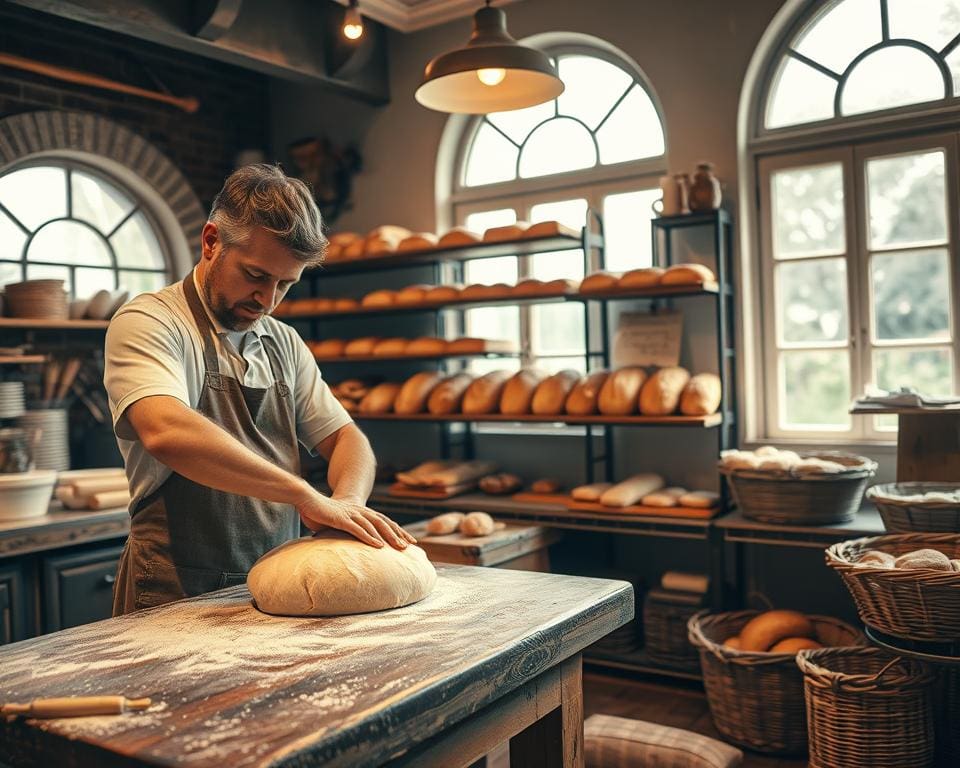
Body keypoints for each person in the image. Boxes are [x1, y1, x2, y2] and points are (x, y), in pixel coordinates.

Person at [104, 164, 414, 615]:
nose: (267, 300)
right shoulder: (151, 322)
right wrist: (304, 495)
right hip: (177, 586)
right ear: (211, 242)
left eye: (285, 284)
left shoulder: (282, 341)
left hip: (279, 582)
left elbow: (347, 438)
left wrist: (346, 501)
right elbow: (165, 430)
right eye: (255, 275)